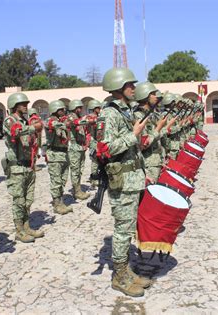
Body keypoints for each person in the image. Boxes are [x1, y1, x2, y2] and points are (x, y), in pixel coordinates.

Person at [97, 67, 153, 297]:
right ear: (119, 88)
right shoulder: (109, 114)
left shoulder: (125, 111)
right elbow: (105, 148)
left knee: (128, 229)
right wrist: (134, 134)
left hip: (133, 179)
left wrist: (143, 172)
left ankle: (127, 271)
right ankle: (119, 276)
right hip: (122, 182)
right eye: (130, 85)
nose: (134, 88)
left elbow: (133, 150)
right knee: (122, 231)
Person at [3, 92, 45, 243]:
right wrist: (34, 128)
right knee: (19, 201)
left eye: (26, 104)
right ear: (15, 105)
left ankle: (26, 227)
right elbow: (16, 131)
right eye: (23, 104)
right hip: (17, 168)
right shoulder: (9, 120)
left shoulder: (25, 120)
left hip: (28, 166)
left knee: (28, 200)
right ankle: (19, 230)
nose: (26, 106)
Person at [133, 82, 168, 181]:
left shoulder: (151, 114)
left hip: (156, 161)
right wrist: (159, 128)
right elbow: (144, 143)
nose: (156, 97)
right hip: (147, 163)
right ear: (145, 96)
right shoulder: (138, 116)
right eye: (152, 94)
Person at [44, 100, 73, 215]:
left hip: (64, 154)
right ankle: (57, 205)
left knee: (62, 180)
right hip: (55, 154)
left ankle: (60, 201)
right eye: (61, 110)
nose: (63, 111)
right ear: (54, 110)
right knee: (56, 181)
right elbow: (53, 125)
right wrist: (65, 124)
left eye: (63, 109)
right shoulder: (50, 121)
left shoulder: (62, 121)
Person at [66, 100, 91, 200]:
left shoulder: (79, 117)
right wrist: (87, 120)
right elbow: (74, 123)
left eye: (81, 107)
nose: (80, 109)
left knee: (80, 170)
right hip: (74, 148)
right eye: (79, 108)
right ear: (74, 108)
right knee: (75, 170)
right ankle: (76, 191)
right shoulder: (71, 116)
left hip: (80, 147)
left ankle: (78, 188)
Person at [85, 99, 102, 187]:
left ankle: (98, 176)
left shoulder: (98, 116)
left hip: (97, 141)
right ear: (94, 108)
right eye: (98, 108)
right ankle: (94, 178)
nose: (100, 109)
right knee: (95, 160)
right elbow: (93, 123)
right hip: (92, 140)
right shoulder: (90, 117)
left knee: (99, 159)